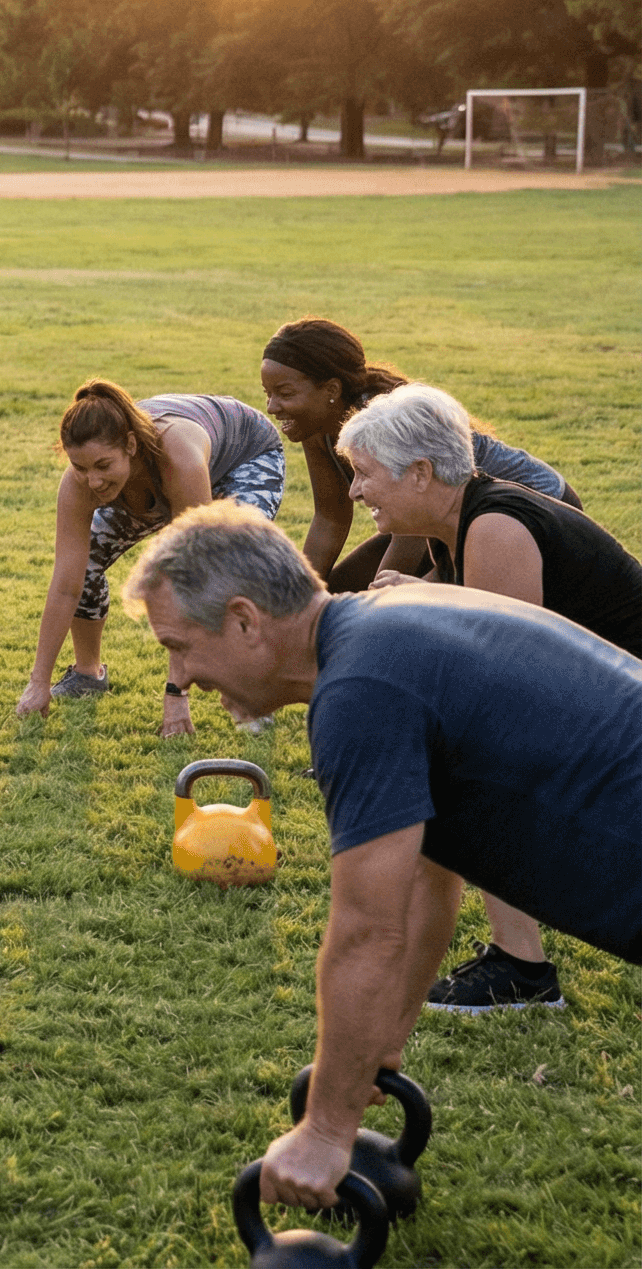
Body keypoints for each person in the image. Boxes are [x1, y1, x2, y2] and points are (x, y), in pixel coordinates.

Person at [119, 503, 642, 1212]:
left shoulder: (362, 690)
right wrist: (382, 1044)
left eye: (178, 646)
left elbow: (368, 930)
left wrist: (328, 1130)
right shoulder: (384, 627)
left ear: (244, 621)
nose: (181, 676)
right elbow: (432, 883)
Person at [339, 383, 642, 1012]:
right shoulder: (456, 524)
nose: (354, 491)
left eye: (364, 474)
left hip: (626, 727)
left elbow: (503, 678)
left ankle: (520, 970)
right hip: (613, 710)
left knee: (464, 768)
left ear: (420, 473)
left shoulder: (497, 524)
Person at [16, 381, 283, 736]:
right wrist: (39, 682)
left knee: (230, 568)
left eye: (102, 465)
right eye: (80, 467)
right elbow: (66, 583)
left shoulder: (178, 460)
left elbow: (187, 578)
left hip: (243, 455)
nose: (92, 481)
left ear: (130, 445)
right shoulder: (81, 482)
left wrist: (176, 696)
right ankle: (87, 673)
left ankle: (254, 690)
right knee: (88, 557)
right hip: (147, 479)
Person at [256, 316, 572, 591]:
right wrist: (297, 594)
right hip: (439, 526)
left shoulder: (386, 421)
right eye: (268, 394)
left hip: (531, 511)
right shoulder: (319, 424)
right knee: (337, 595)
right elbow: (331, 519)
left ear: (331, 391)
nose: (272, 407)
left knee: (393, 609)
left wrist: (372, 606)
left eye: (285, 394)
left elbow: (412, 535)